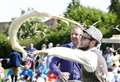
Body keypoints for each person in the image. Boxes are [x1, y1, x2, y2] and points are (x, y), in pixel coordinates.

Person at [36, 26, 108, 82]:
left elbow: (70, 53)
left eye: (83, 37)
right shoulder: (96, 54)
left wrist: (48, 51)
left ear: (92, 42)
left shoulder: (90, 55)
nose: (80, 39)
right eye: (72, 34)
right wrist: (59, 73)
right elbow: (52, 64)